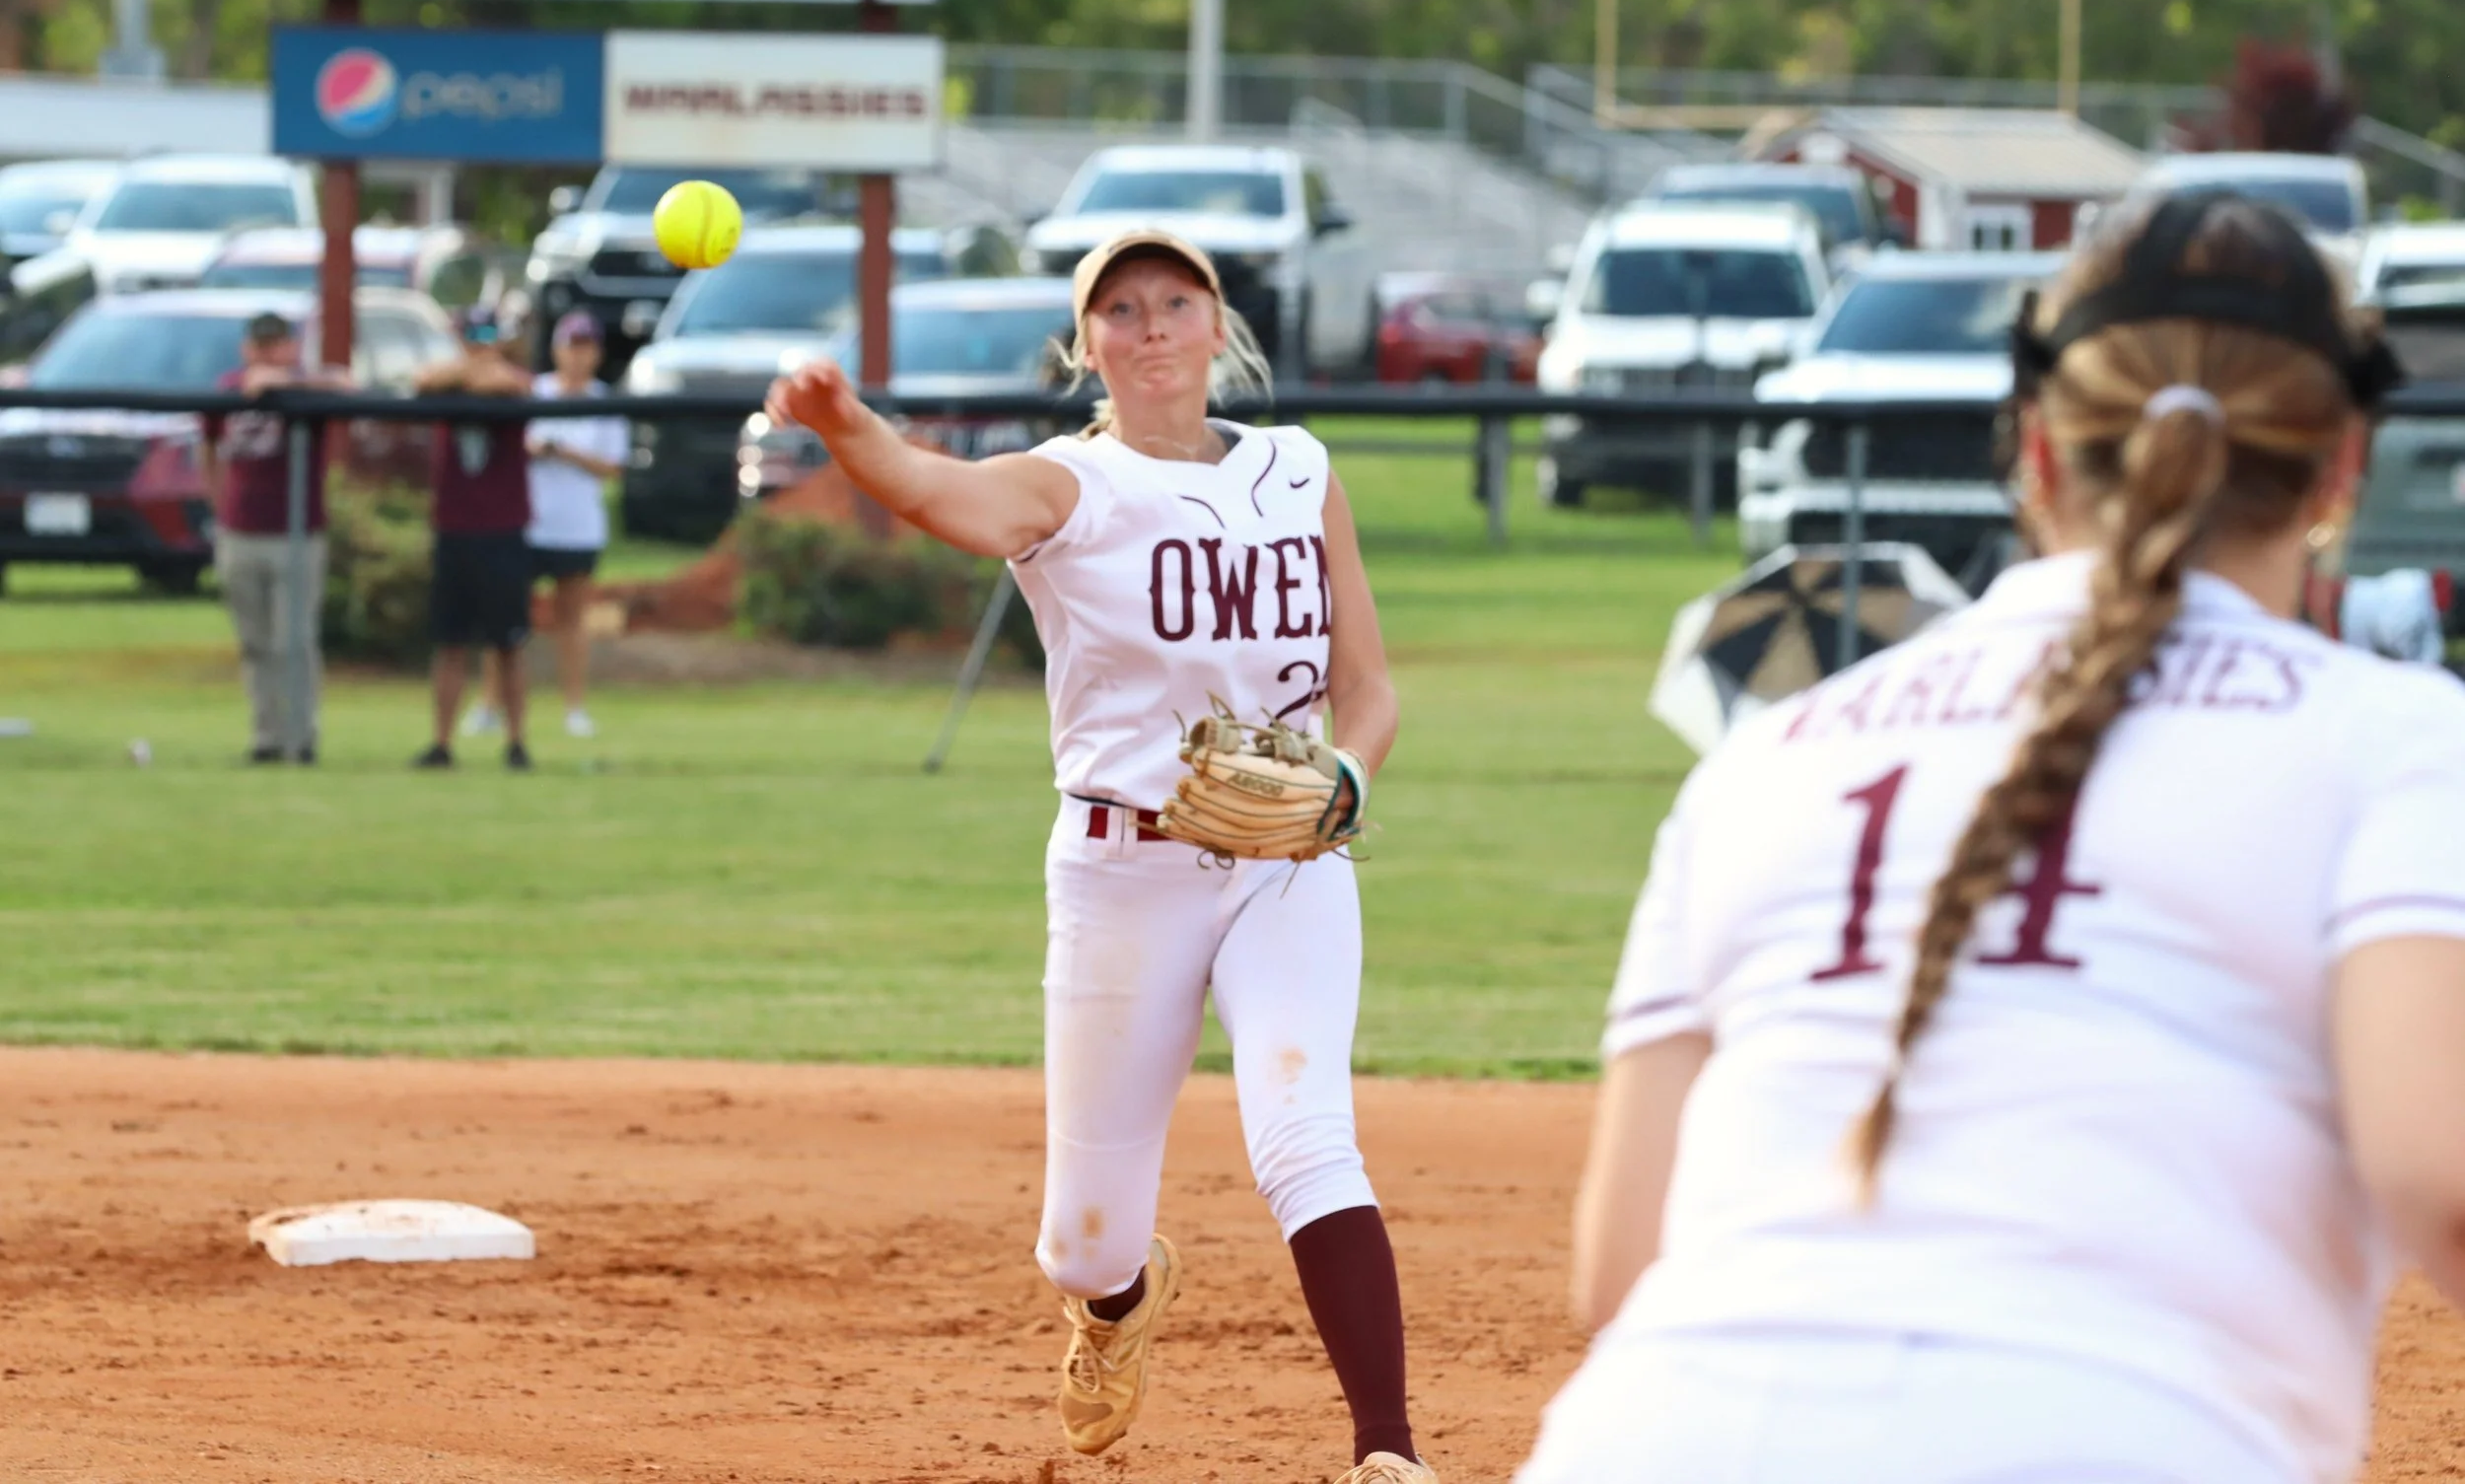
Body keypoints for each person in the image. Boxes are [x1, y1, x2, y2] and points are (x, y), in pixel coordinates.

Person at [1519, 191, 2465, 1484]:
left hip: (1656, 1432)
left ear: (2033, 451)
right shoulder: (2399, 734)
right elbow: (2441, 1174)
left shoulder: (1772, 749)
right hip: (2123, 1435)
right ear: (2340, 468)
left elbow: (1622, 1263)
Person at [763, 232, 1438, 1484]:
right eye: (1119, 310)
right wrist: (844, 422)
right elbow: (930, 490)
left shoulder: (1298, 470)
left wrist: (1347, 776)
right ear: (1090, 346)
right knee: (1084, 1241)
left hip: (1286, 863)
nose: (1152, 326)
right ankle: (1113, 1305)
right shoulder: (1069, 487)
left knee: (1305, 1135)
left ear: (1217, 323)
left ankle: (1387, 1451)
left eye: (1175, 301)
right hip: (1121, 872)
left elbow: (1369, 688)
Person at [463, 311, 627, 740]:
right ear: (556, 350)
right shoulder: (531, 392)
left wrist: (563, 451)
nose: (578, 355)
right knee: (507, 617)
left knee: (571, 619)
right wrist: (537, 450)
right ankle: (489, 704)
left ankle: (574, 707)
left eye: (586, 346)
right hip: (527, 521)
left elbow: (613, 467)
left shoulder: (605, 402)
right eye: (571, 345)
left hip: (578, 525)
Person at [197, 312, 348, 764]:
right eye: (258, 345)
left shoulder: (307, 387)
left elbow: (348, 385)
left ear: (292, 346)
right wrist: (216, 503)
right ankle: (266, 736)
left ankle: (301, 737)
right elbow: (207, 444)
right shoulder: (229, 389)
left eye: (275, 344)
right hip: (240, 530)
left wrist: (281, 384)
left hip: (296, 534)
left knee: (294, 641)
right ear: (246, 349)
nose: (265, 353)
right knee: (255, 642)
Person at [411, 306, 534, 771]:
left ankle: (517, 742)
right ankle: (441, 743)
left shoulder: (512, 382)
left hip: (503, 529)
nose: (478, 343)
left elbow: (512, 384)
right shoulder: (447, 381)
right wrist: (465, 370)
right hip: (454, 528)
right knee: (450, 642)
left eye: (486, 334)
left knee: (509, 643)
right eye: (470, 335)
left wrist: (477, 370)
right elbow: (422, 380)